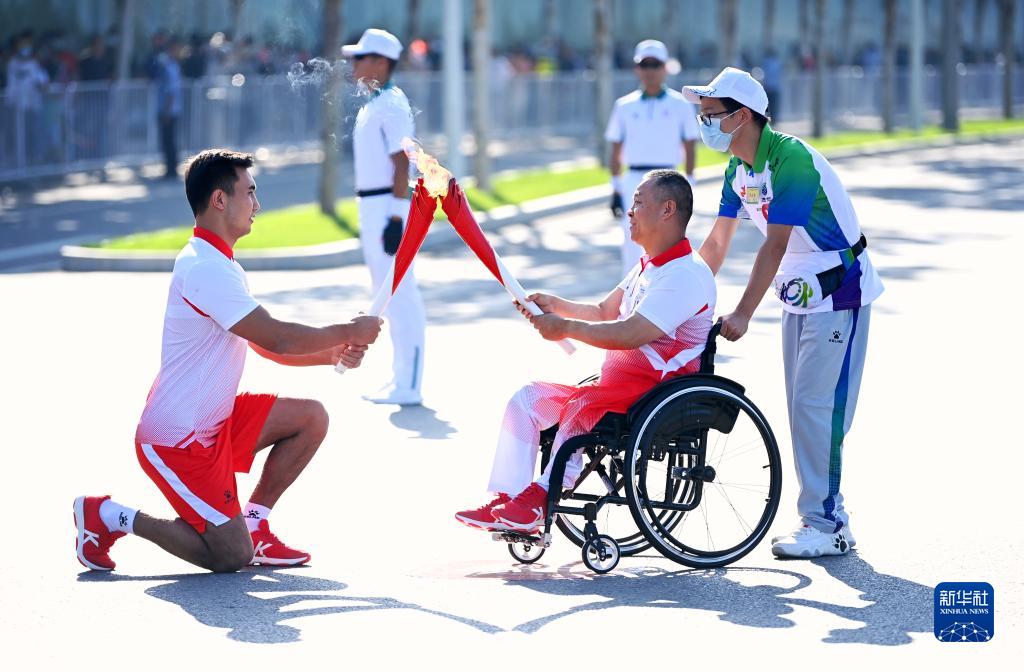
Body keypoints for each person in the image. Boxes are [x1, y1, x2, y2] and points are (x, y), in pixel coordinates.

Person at [73, 149, 383, 572]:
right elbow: (276, 334)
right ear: (220, 200)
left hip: (214, 422)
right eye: (250, 193)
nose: (257, 204)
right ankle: (108, 516)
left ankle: (254, 525)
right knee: (231, 557)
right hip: (178, 440)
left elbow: (261, 343)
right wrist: (348, 330)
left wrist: (329, 354)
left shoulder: (221, 263)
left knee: (311, 417)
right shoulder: (205, 268)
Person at [682, 67, 884, 559]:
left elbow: (772, 245)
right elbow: (717, 241)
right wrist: (681, 295)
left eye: (711, 115)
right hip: (799, 296)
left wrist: (743, 314)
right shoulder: (738, 170)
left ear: (743, 116)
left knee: (819, 409)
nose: (704, 124)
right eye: (701, 115)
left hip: (839, 293)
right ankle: (823, 516)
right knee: (803, 409)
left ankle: (827, 522)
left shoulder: (790, 158)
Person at [455, 170, 716, 533]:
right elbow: (605, 312)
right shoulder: (649, 266)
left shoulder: (685, 275)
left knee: (584, 404)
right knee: (527, 400)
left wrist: (564, 329)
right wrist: (554, 306)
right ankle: (511, 498)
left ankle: (542, 500)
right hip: (618, 387)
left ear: (668, 209)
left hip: (653, 390)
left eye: (639, 203)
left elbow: (629, 334)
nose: (630, 211)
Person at [344, 28, 426, 406]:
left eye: (360, 57)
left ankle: (409, 383)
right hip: (373, 204)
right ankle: (399, 378)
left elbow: (400, 164)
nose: (354, 64)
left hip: (387, 206)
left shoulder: (391, 103)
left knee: (400, 293)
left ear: (380, 62)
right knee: (387, 295)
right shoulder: (374, 103)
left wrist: (396, 218)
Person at [606, 39, 700, 277]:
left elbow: (690, 144)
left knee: (668, 242)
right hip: (634, 180)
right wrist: (616, 188)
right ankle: (629, 304)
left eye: (655, 64)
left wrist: (690, 182)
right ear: (637, 68)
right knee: (632, 241)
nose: (650, 70)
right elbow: (616, 147)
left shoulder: (680, 104)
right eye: (644, 64)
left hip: (669, 178)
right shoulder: (624, 106)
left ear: (665, 67)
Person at [152, 37, 183, 179]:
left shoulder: (171, 67)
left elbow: (171, 91)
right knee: (167, 140)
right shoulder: (170, 65)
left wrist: (166, 111)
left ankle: (171, 169)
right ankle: (170, 168)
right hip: (170, 109)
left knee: (169, 140)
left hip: (169, 110)